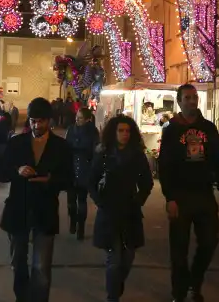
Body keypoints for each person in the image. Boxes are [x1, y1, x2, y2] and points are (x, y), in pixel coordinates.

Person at [0, 98, 73, 302]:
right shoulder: (16, 143)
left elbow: (70, 179)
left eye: (40, 121)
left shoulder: (61, 146)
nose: (36, 125)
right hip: (19, 209)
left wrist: (50, 180)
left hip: (45, 211)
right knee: (18, 262)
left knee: (41, 267)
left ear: (49, 121)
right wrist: (16, 170)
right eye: (32, 121)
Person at [158, 83, 219, 302]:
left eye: (194, 97)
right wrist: (169, 197)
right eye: (187, 97)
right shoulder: (171, 128)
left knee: (209, 242)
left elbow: (218, 159)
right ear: (179, 101)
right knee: (179, 251)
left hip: (204, 194)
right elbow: (165, 165)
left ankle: (194, 282)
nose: (192, 101)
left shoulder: (208, 128)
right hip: (180, 195)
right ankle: (179, 294)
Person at [88, 115, 153, 302]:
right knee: (114, 260)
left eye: (127, 131)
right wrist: (99, 200)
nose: (124, 134)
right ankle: (113, 296)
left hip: (130, 212)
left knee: (128, 258)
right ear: (113, 132)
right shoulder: (104, 153)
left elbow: (147, 182)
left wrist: (139, 200)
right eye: (120, 131)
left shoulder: (137, 155)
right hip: (109, 211)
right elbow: (91, 180)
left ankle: (116, 286)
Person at [66, 107, 99, 240]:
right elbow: (66, 147)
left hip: (85, 169)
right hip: (72, 168)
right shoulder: (71, 129)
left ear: (87, 119)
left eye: (80, 118)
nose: (77, 120)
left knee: (82, 200)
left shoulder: (93, 132)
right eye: (76, 117)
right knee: (70, 202)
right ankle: (73, 220)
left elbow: (95, 151)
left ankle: (81, 227)